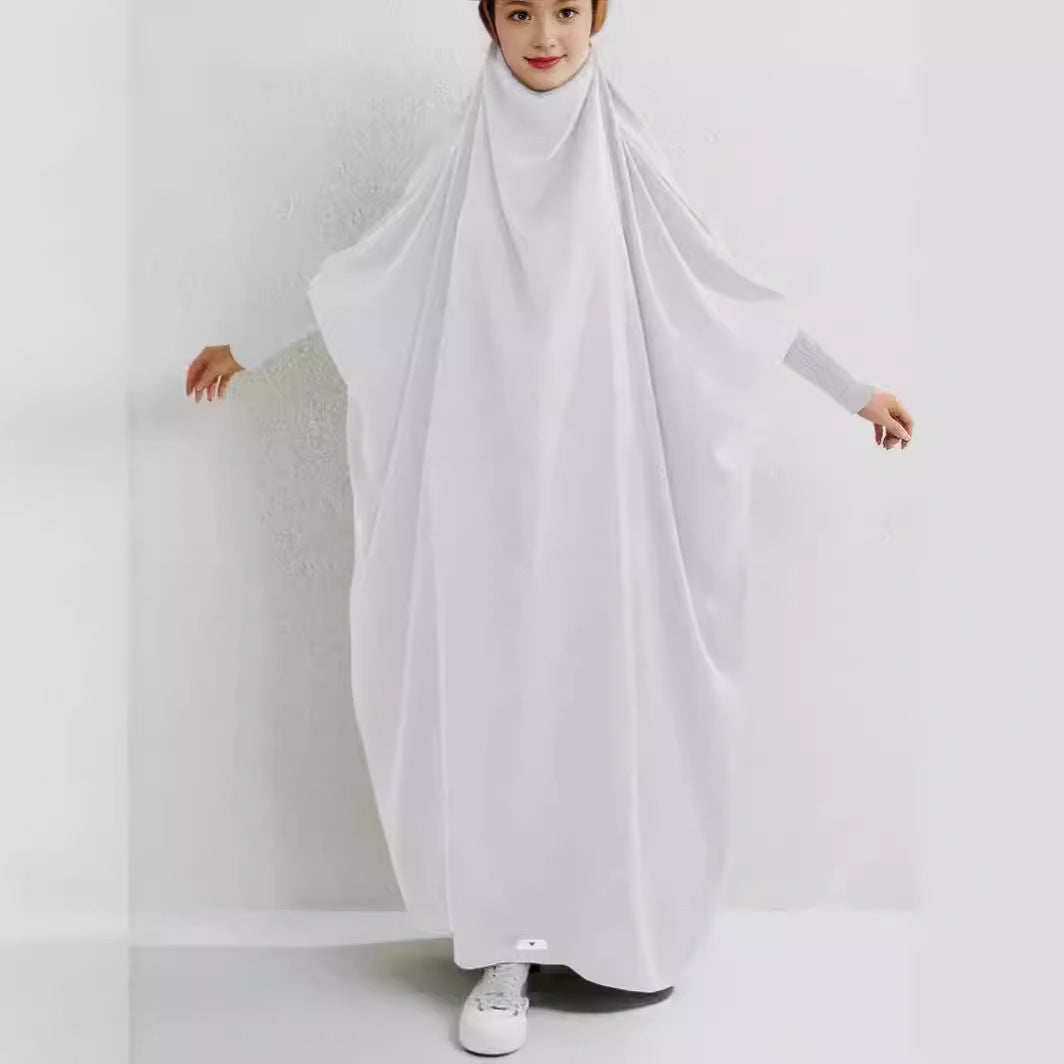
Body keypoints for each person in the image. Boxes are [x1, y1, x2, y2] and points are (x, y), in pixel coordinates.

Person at [185, 1, 914, 1056]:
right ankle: (506, 947)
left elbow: (728, 292)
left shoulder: (625, 157)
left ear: (597, 16)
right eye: (519, 11)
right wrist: (247, 348)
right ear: (488, 20)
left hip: (604, 489)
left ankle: (603, 922)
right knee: (500, 701)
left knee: (597, 696)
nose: (544, 36)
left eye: (566, 9)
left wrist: (854, 391)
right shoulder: (463, 161)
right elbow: (366, 276)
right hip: (485, 491)